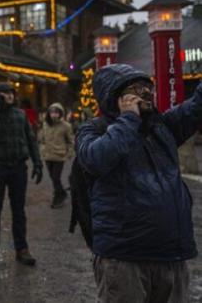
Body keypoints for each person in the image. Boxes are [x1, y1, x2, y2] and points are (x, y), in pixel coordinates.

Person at [76, 64, 202, 302]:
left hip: (171, 255)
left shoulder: (161, 127)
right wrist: (128, 120)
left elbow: (197, 107)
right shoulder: (93, 130)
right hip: (124, 258)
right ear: (115, 96)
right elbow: (96, 159)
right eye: (136, 88)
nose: (146, 93)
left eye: (148, 87)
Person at [0, 82, 43, 266]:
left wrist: (37, 162)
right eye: (5, 93)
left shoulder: (20, 115)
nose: (9, 96)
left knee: (19, 210)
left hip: (17, 167)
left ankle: (22, 249)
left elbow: (31, 140)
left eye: (11, 93)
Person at [38, 103, 74, 209]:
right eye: (52, 112)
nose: (54, 115)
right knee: (53, 178)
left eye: (56, 113)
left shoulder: (66, 126)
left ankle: (58, 196)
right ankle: (61, 193)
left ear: (60, 114)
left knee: (56, 177)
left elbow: (70, 141)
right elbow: (41, 139)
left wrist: (69, 153)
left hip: (59, 155)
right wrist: (42, 148)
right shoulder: (45, 124)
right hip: (48, 155)